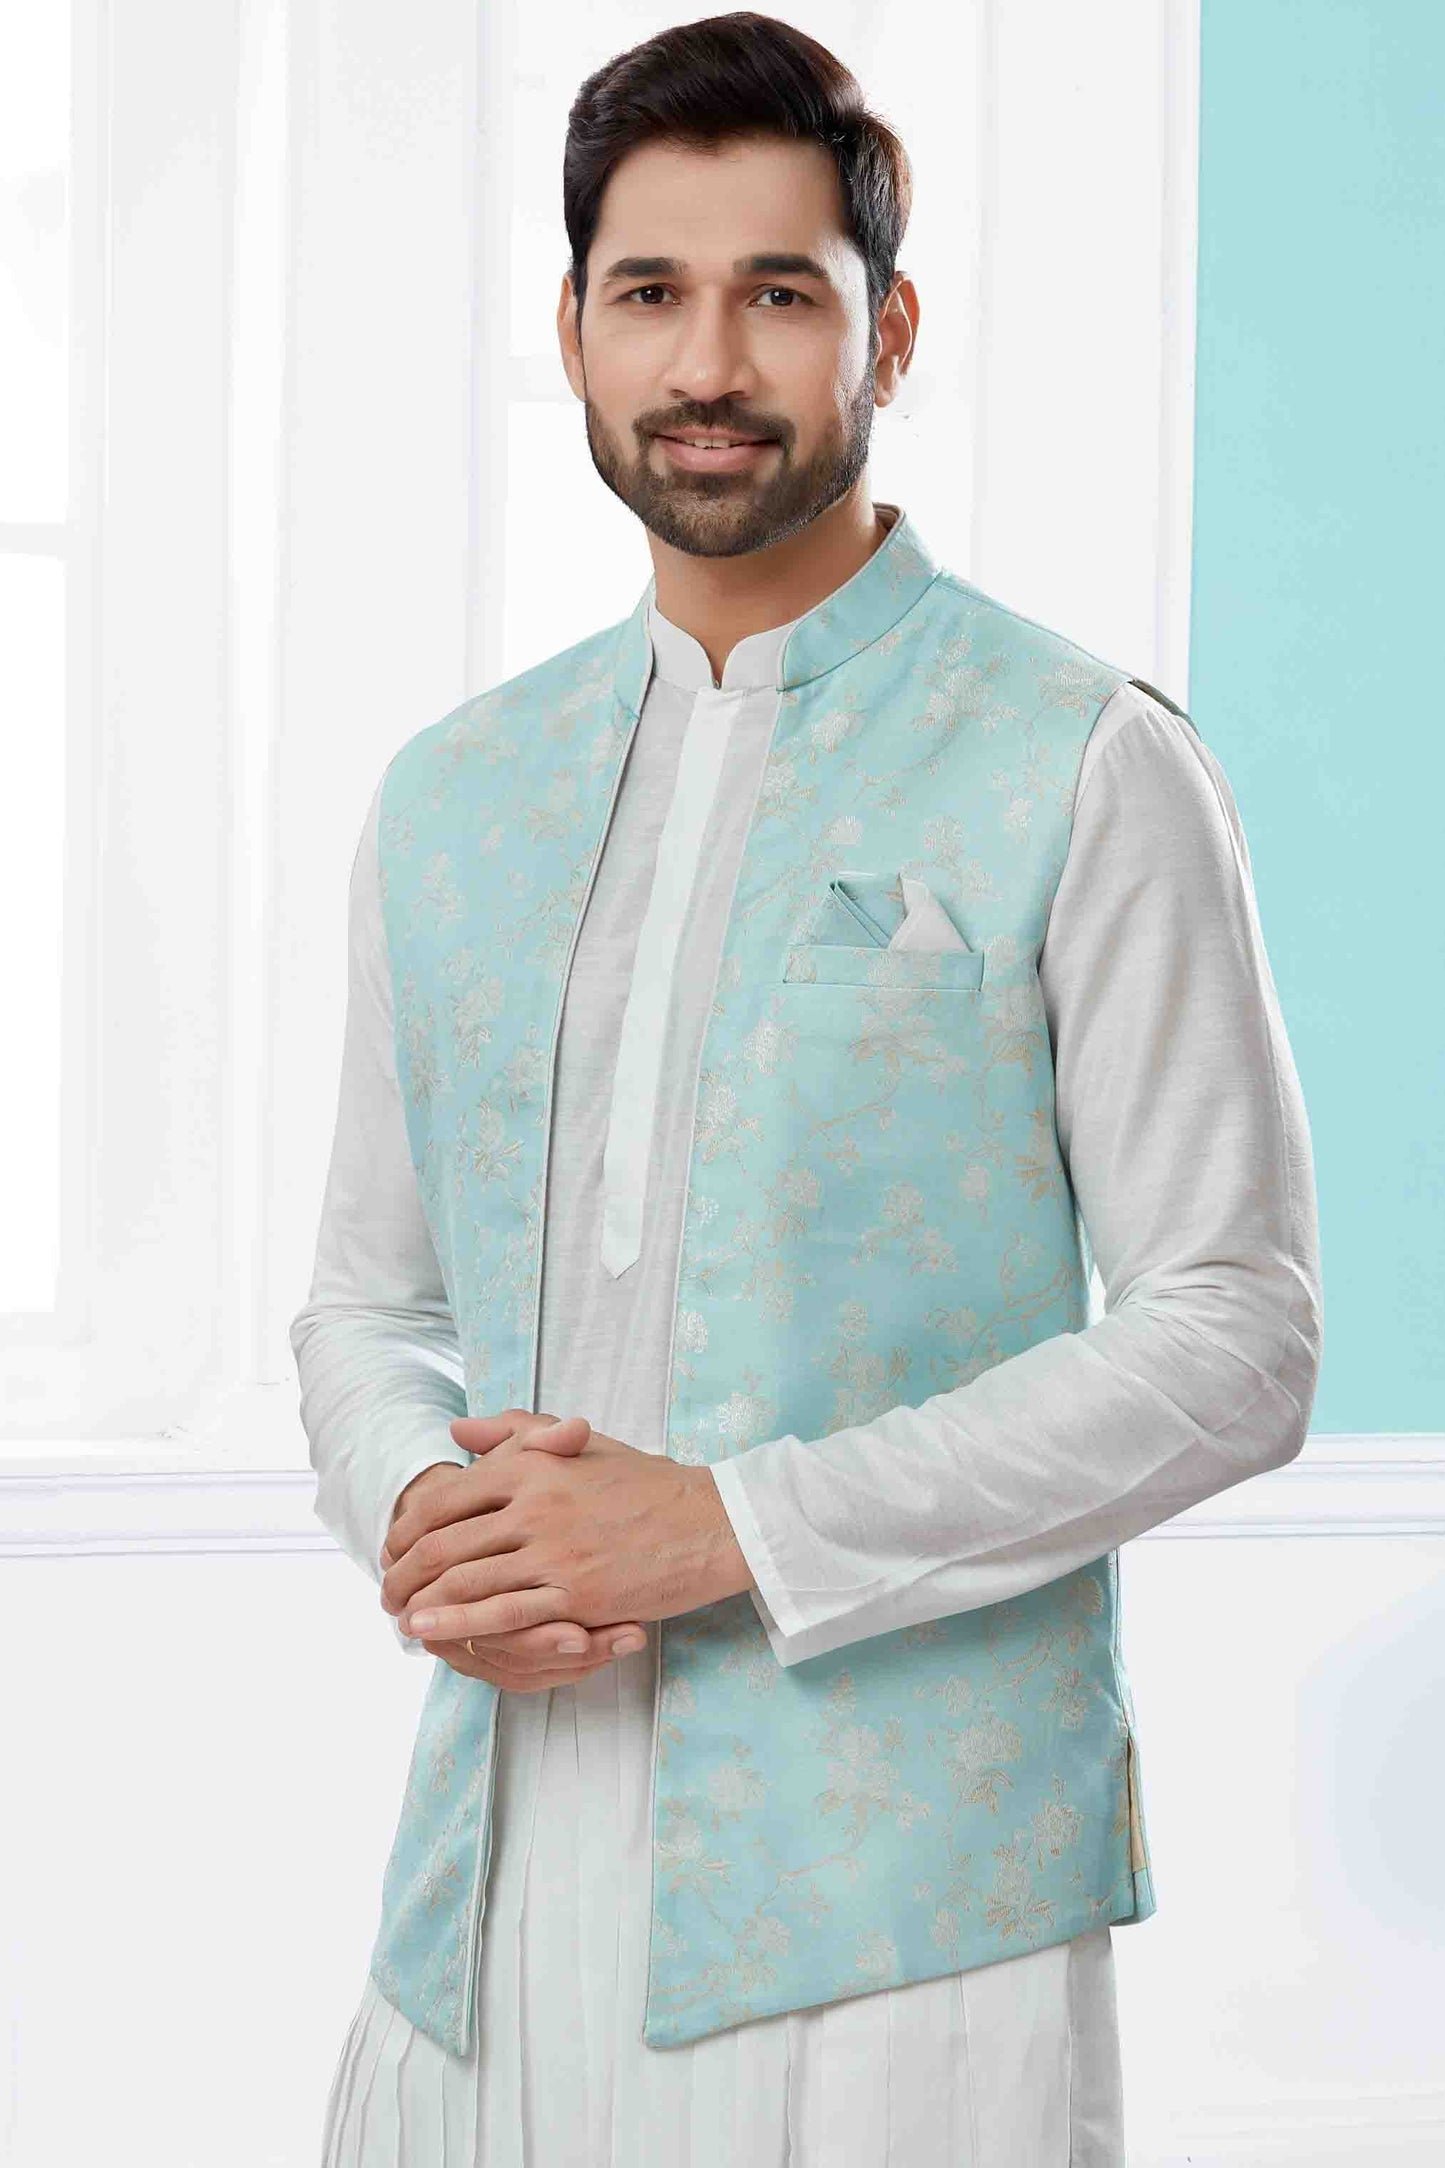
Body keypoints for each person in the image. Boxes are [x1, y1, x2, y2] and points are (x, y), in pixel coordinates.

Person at [289, 14, 1323, 2164]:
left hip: (907, 1923)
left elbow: (1236, 1334)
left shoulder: (1077, 756)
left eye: (779, 293)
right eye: (649, 293)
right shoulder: (455, 797)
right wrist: (421, 1514)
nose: (707, 364)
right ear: (571, 330)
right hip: (484, 1885)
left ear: (889, 331)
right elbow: (369, 1301)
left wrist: (730, 1528)